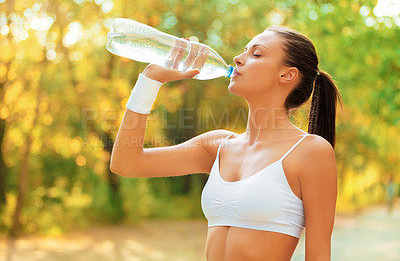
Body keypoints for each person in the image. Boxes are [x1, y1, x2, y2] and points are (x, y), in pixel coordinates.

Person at [110, 26, 342, 261]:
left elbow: (319, 255)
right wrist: (151, 78)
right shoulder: (217, 145)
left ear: (287, 75)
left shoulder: (311, 152)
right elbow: (126, 163)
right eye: (244, 51)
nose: (238, 59)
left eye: (256, 54)